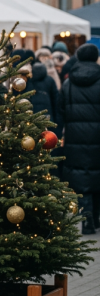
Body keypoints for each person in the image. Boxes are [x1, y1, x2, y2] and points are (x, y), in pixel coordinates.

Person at [58, 43, 100, 234]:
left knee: (82, 177)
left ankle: (87, 217)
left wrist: (60, 136)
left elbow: (60, 112)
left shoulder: (68, 83)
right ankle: (96, 216)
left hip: (75, 137)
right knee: (96, 174)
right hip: (97, 136)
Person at [12, 49, 58, 124]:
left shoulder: (45, 81)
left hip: (38, 124)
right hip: (42, 123)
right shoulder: (21, 82)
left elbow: (56, 105)